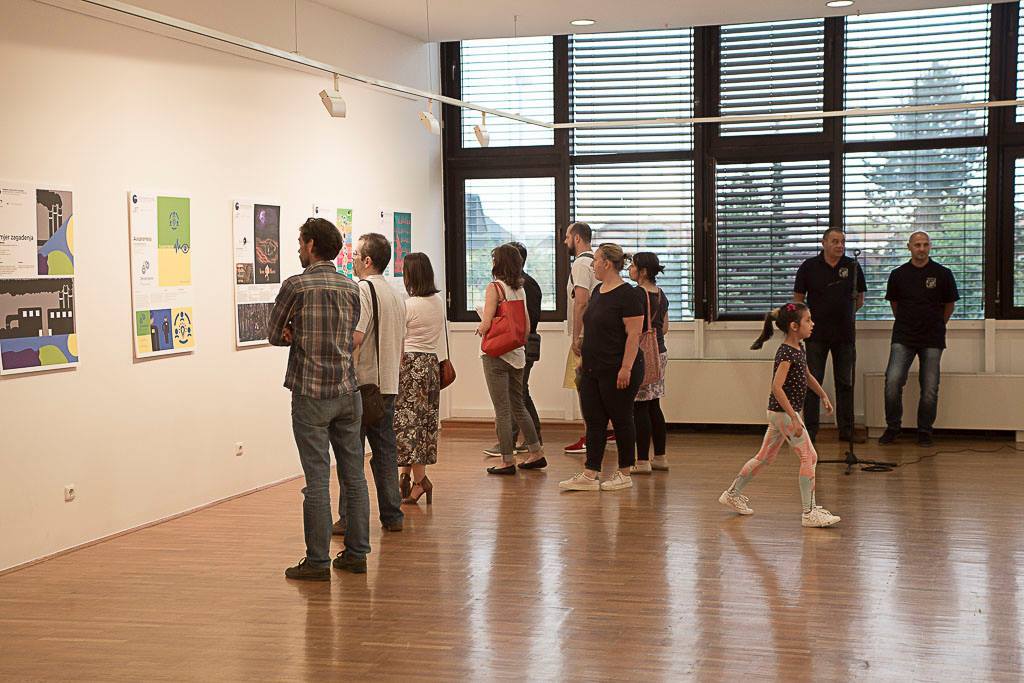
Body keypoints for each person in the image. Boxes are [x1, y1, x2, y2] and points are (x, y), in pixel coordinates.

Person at [270, 217, 370, 579]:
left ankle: (317, 561)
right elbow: (350, 334)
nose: (298, 248)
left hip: (311, 393)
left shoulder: (295, 286)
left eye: (300, 242)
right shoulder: (351, 288)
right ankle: (356, 554)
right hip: (347, 391)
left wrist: (293, 333)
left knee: (316, 481)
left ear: (312, 245)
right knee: (354, 477)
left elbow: (273, 333)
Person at [718, 303, 841, 528]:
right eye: (808, 320)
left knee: (764, 457)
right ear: (794, 326)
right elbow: (777, 387)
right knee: (809, 456)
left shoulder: (799, 348)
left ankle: (732, 494)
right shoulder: (786, 352)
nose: (812, 324)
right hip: (783, 414)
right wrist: (794, 417)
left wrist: (823, 394)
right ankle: (809, 512)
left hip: (779, 414)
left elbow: (806, 375)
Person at [334, 233, 406, 535]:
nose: (351, 261)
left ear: (367, 260)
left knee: (351, 455)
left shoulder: (364, 289)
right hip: (388, 383)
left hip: (364, 385)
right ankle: (393, 515)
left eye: (355, 256)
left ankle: (349, 518)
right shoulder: (396, 294)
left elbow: (356, 337)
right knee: (385, 452)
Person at [559, 243, 644, 493]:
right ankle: (590, 473)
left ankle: (625, 473)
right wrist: (584, 358)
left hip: (617, 369)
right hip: (593, 369)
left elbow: (634, 335)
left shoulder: (628, 295)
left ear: (607, 263)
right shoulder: (598, 291)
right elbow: (594, 328)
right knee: (594, 421)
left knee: (621, 419)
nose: (593, 264)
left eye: (595, 260)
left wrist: (626, 368)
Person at [879, 231, 959, 448]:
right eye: (917, 245)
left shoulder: (943, 274)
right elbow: (895, 304)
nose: (921, 248)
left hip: (933, 338)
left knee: (930, 387)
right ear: (909, 247)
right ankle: (893, 428)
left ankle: (924, 431)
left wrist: (937, 324)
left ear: (930, 246)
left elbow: (949, 305)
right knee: (893, 381)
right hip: (903, 336)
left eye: (925, 244)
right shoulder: (898, 274)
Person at [793, 227, 867, 444]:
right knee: (813, 382)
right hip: (815, 334)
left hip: (844, 334)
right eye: (835, 241)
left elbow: (860, 299)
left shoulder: (852, 266)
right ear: (824, 243)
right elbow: (798, 300)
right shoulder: (809, 267)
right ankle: (810, 432)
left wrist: (843, 315)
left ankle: (846, 431)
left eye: (842, 241)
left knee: (845, 383)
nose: (840, 245)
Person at [476, 244, 545, 474]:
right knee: (518, 405)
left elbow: (487, 323)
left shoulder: (495, 288)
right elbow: (526, 326)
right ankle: (536, 452)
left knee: (502, 410)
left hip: (496, 355)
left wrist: (481, 327)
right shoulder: (520, 290)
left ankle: (507, 460)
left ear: (499, 263)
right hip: (517, 354)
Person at [395, 253, 445, 505]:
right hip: (430, 366)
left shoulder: (409, 305)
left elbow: (399, 341)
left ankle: (420, 481)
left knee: (408, 424)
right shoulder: (438, 302)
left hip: (411, 366)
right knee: (423, 423)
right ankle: (405, 475)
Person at [562, 222, 614, 454]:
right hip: (598, 332)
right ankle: (605, 430)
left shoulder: (581, 264)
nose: (565, 241)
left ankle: (590, 436)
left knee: (584, 387)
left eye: (567, 237)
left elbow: (581, 302)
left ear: (577, 238)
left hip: (586, 335)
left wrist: (576, 337)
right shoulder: (595, 264)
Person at [628, 252, 670, 475]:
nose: (630, 269)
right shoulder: (661, 295)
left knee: (640, 407)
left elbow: (632, 328)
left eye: (633, 266)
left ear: (643, 271)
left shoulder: (637, 294)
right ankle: (660, 457)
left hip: (642, 354)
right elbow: (665, 328)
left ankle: (642, 460)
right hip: (660, 353)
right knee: (654, 405)